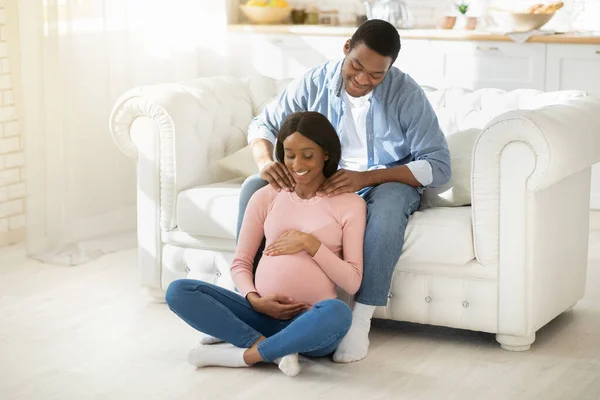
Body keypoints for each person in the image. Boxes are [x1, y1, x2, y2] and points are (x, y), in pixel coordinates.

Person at [237, 19, 451, 363]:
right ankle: (248, 301)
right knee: (254, 187)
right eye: (357, 66)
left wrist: (366, 178)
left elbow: (438, 166)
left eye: (376, 75)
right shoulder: (314, 82)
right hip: (324, 180)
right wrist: (265, 162)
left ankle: (360, 320)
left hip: (382, 182)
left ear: (390, 69)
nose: (363, 80)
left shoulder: (406, 94)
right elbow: (263, 123)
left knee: (390, 205)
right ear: (346, 48)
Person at [165, 111, 367, 377]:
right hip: (259, 315)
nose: (297, 164)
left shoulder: (350, 204)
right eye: (289, 154)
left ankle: (243, 356)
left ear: (326, 154)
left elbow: (352, 282)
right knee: (179, 290)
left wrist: (310, 244)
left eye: (308, 154)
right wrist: (254, 299)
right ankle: (274, 350)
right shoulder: (266, 196)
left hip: (311, 321)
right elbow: (240, 263)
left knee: (338, 312)